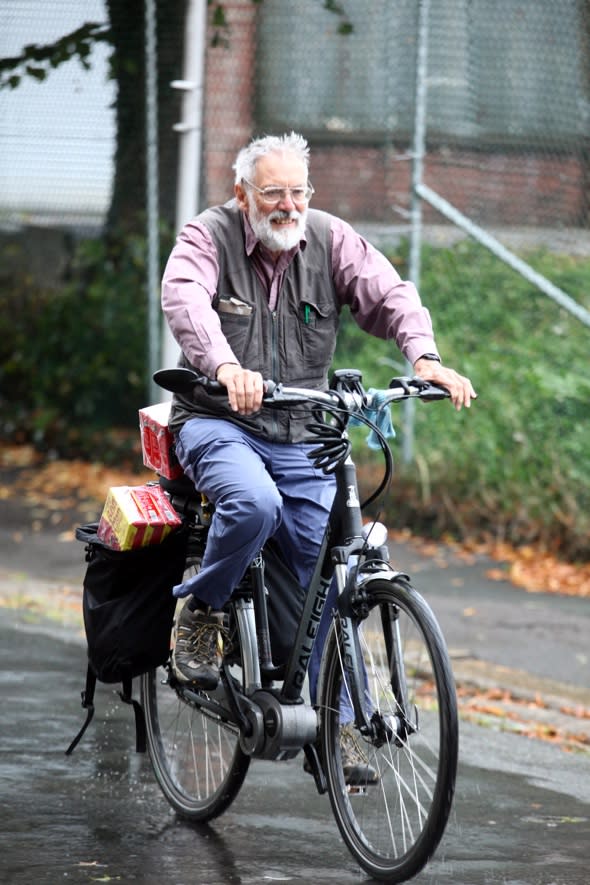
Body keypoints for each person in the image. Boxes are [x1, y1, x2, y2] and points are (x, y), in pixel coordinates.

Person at [161, 131, 476, 780]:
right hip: (221, 421)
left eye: (297, 192)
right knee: (253, 505)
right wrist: (223, 363)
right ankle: (200, 612)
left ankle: (328, 722)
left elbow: (387, 291)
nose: (287, 205)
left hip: (303, 430)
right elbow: (185, 297)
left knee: (327, 564)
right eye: (272, 192)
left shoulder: (331, 240)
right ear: (242, 191)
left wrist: (425, 357)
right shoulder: (209, 235)